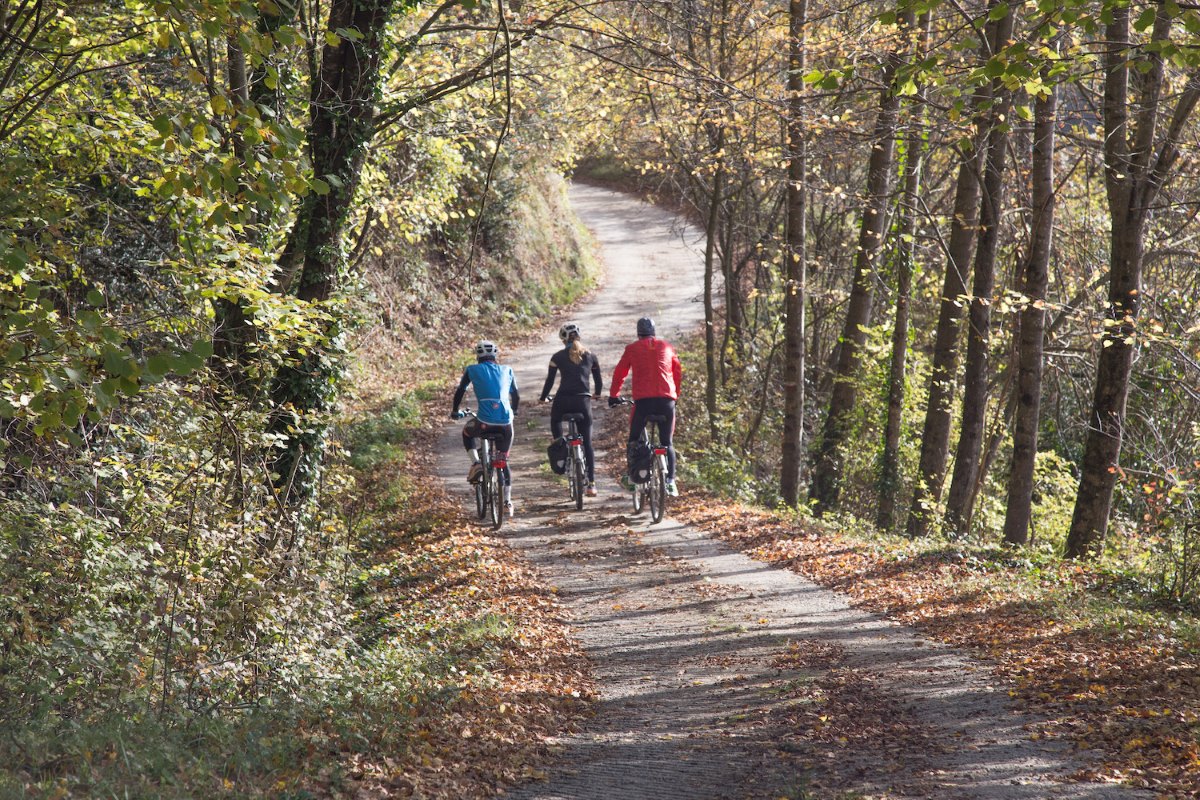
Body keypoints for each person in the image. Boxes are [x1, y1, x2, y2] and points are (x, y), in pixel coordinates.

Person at [608, 317, 682, 496]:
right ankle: (671, 482)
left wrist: (613, 395)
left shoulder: (632, 349)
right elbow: (677, 370)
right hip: (666, 401)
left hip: (644, 403)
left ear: (638, 333)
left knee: (633, 440)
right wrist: (676, 395)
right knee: (667, 443)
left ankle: (633, 478)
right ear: (653, 332)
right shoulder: (667, 347)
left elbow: (620, 373)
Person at [451, 340, 520, 518]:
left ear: (477, 356)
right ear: (495, 355)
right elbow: (516, 395)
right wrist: (515, 411)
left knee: (467, 432)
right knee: (502, 462)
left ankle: (476, 464)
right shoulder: (507, 370)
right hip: (506, 425)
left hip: (483, 422)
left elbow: (460, 390)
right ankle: (507, 502)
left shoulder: (472, 370)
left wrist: (455, 411)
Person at [539, 322, 603, 496]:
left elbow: (550, 381)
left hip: (562, 401)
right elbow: (598, 381)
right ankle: (591, 484)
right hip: (583, 402)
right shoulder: (591, 356)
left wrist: (543, 397)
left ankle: (560, 444)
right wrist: (596, 394)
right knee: (587, 443)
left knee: (555, 420)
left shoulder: (557, 357)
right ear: (579, 336)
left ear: (563, 339)